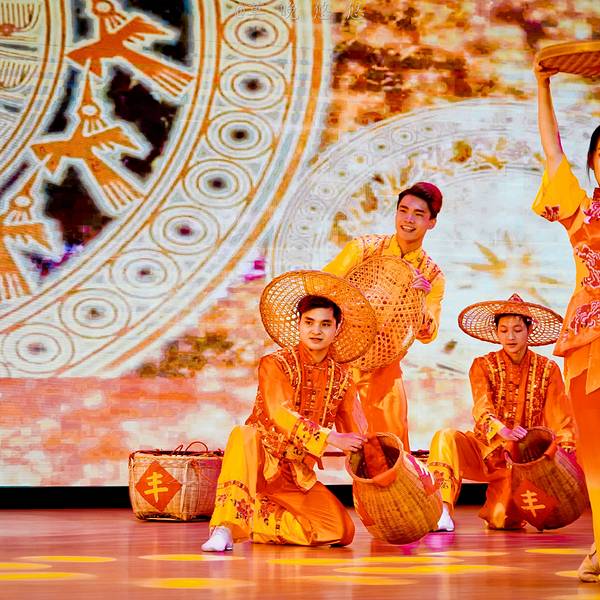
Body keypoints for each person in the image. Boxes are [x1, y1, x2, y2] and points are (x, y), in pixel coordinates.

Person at [201, 270, 377, 551]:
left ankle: (257, 520)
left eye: (325, 324)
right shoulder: (275, 364)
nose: (316, 331)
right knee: (244, 435)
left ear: (337, 329)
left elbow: (355, 432)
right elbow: (280, 414)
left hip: (296, 475)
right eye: (309, 322)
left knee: (340, 531)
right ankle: (225, 527)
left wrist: (376, 462)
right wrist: (330, 438)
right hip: (260, 464)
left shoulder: (343, 378)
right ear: (299, 324)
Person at [427, 294, 576, 532]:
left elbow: (561, 420)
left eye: (517, 330)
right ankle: (442, 510)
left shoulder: (548, 370)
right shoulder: (482, 365)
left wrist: (564, 456)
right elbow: (481, 407)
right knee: (445, 437)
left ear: (529, 330)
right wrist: (501, 430)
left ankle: (509, 500)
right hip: (484, 449)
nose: (510, 337)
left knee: (502, 521)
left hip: (519, 462)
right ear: (496, 332)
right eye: (504, 330)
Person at [534, 60, 600, 582]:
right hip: (588, 338)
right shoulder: (580, 211)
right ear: (594, 165)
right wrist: (543, 85)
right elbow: (553, 150)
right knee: (596, 449)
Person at [323, 181, 445, 450]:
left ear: (431, 223)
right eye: (403, 210)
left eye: (418, 214)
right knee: (355, 446)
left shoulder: (432, 277)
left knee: (391, 446)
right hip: (341, 358)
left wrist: (421, 303)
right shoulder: (363, 249)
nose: (408, 219)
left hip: (384, 367)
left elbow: (429, 334)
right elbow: (324, 286)